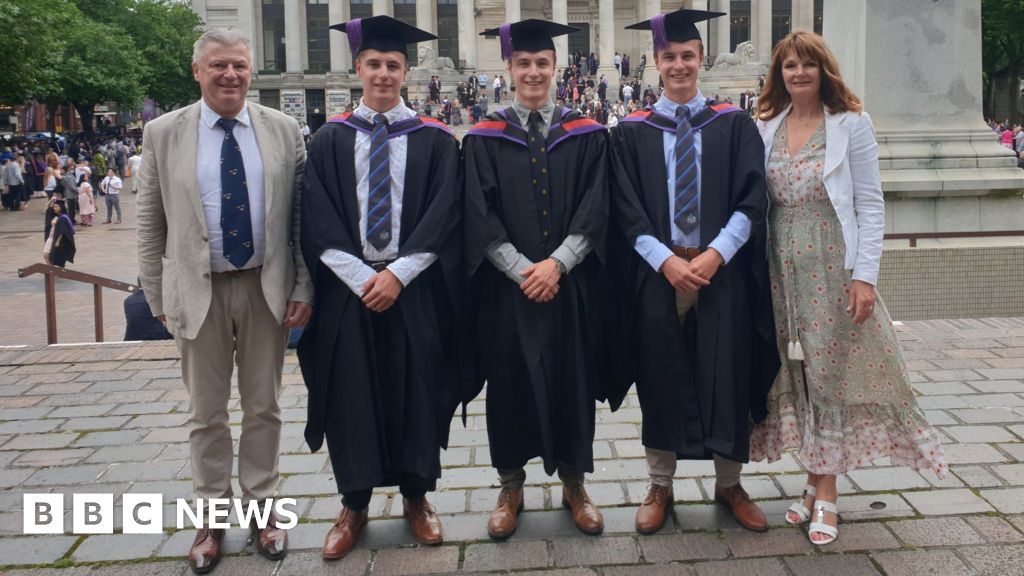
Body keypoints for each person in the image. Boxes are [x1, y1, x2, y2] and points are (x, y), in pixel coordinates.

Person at [749, 30, 947, 546]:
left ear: (824, 71)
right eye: (790, 66)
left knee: (831, 374)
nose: (798, 74)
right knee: (801, 374)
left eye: (808, 66)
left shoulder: (852, 124)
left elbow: (871, 203)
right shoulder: (766, 124)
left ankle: (829, 493)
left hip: (831, 265)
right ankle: (813, 482)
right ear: (779, 74)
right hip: (781, 268)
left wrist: (864, 275)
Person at [136, 27, 313, 574]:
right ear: (198, 71)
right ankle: (210, 518)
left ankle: (264, 508)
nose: (230, 74)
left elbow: (302, 220)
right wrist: (155, 293)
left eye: (239, 65)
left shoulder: (284, 130)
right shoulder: (163, 133)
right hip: (198, 289)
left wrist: (304, 285)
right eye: (219, 66)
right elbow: (150, 219)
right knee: (205, 414)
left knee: (265, 407)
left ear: (251, 70)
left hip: (266, 286)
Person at [609, 8, 779, 535]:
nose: (679, 64)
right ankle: (660, 483)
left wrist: (714, 255)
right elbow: (625, 207)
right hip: (658, 273)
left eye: (687, 55)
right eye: (669, 57)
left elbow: (753, 201)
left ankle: (730, 484)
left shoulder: (733, 124)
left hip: (719, 270)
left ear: (701, 58)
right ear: (655, 62)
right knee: (660, 375)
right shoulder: (631, 132)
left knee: (727, 373)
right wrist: (664, 259)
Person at [298, 15, 463, 561]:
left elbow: (445, 215)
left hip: (413, 290)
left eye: (393, 65)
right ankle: (354, 503)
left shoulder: (437, 141)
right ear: (358, 68)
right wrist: (363, 278)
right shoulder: (328, 139)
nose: (384, 74)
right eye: (375, 64)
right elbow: (316, 218)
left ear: (406, 71)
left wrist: (397, 274)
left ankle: (418, 498)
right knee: (351, 397)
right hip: (350, 292)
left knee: (418, 392)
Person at [464, 19, 609, 539]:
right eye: (523, 63)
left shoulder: (587, 134)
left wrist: (558, 265)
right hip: (510, 292)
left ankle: (575, 484)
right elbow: (478, 216)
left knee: (573, 382)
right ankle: (510, 486)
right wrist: (523, 269)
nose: (532, 71)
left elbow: (597, 208)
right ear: (508, 69)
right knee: (508, 386)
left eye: (541, 63)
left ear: (556, 68)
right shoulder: (483, 138)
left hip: (568, 288)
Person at [44, 199, 76, 268]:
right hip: (51, 237)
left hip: (57, 239)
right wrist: (51, 200)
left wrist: (58, 241)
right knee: (45, 254)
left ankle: (54, 269)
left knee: (56, 255)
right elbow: (47, 208)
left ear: (61, 207)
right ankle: (52, 269)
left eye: (56, 207)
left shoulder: (64, 218)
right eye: (54, 206)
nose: (54, 208)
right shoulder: (55, 215)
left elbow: (63, 230)